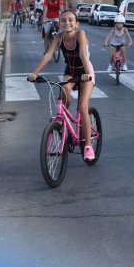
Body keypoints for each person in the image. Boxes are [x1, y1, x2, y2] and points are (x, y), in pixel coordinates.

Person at [28, 10, 96, 161]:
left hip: (85, 71)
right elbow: (48, 54)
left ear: (76, 23)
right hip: (70, 71)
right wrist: (35, 73)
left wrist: (87, 75)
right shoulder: (59, 37)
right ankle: (62, 120)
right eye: (63, 20)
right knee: (64, 89)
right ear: (59, 24)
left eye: (71, 20)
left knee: (83, 108)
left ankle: (88, 146)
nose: (67, 23)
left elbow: (83, 55)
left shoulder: (80, 34)